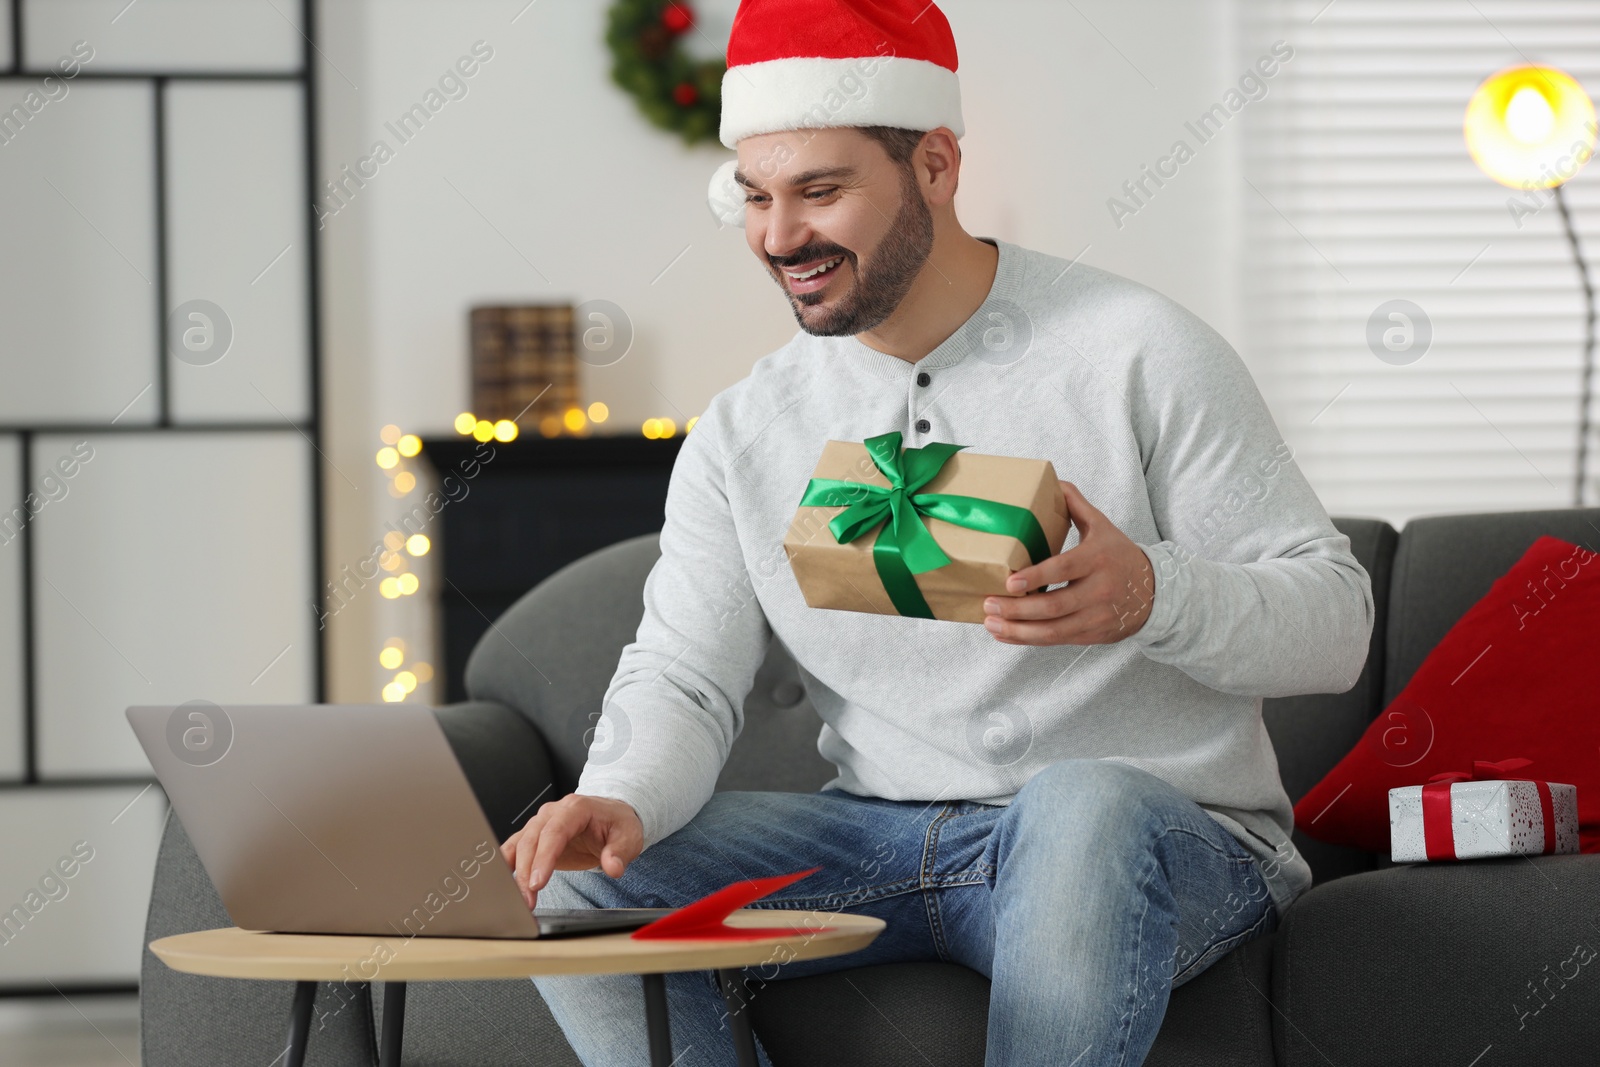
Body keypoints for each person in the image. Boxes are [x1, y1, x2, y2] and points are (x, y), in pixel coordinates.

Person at [503, 1, 1374, 1064]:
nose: (780, 237)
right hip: (883, 837)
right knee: (571, 874)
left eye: (821, 191)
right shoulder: (747, 429)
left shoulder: (1138, 351)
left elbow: (1335, 626)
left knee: (1080, 800)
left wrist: (1154, 592)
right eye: (757, 197)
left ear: (936, 165)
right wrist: (620, 792)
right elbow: (683, 674)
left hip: (1157, 838)